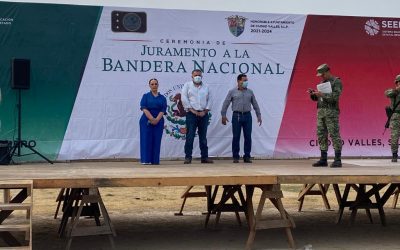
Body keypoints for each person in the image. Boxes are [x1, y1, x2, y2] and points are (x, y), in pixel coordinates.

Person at [221, 74, 262, 163]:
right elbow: (226, 104)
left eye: (246, 80)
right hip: (237, 116)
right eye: (244, 80)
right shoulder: (232, 92)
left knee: (248, 137)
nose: (245, 82)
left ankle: (247, 156)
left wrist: (259, 115)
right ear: (238, 81)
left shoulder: (250, 92)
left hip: (247, 116)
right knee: (236, 137)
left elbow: (255, 104)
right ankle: (236, 156)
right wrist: (223, 115)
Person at [308, 64, 343, 168]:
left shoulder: (336, 82)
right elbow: (318, 100)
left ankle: (337, 159)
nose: (321, 77)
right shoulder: (322, 83)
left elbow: (335, 98)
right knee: (321, 135)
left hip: (331, 113)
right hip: (321, 113)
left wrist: (322, 95)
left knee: (334, 135)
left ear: (328, 72)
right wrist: (313, 94)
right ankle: (323, 159)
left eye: (322, 74)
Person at [181, 69, 213, 164]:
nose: (197, 77)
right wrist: (192, 110)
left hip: (204, 114)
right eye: (195, 75)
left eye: (199, 75)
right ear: (192, 76)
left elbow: (210, 100)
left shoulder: (206, 87)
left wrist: (205, 111)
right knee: (190, 136)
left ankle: (204, 157)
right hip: (191, 114)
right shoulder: (187, 85)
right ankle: (188, 157)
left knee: (203, 137)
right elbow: (184, 98)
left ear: (202, 76)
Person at [139, 78, 167, 165]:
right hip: (146, 120)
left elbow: (163, 110)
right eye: (152, 84)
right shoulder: (145, 96)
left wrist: (157, 120)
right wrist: (151, 119)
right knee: (146, 139)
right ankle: (146, 160)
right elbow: (144, 108)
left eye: (155, 84)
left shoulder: (162, 98)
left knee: (156, 140)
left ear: (158, 85)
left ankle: (155, 161)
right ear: (149, 85)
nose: (154, 85)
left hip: (159, 121)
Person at [385, 74, 400, 162]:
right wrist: (398, 90)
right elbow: (387, 93)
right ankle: (394, 155)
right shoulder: (393, 92)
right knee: (394, 136)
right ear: (397, 83)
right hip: (396, 117)